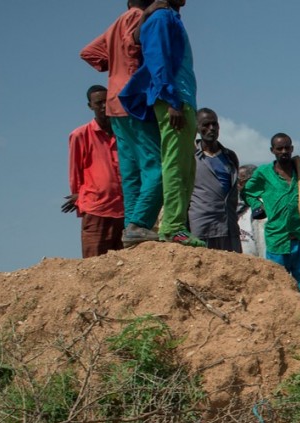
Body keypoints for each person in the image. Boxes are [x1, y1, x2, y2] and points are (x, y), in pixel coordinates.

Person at [118, 0, 203, 247]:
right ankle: (173, 226)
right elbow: (157, 59)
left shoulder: (169, 18)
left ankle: (177, 225)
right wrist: (171, 99)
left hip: (183, 99)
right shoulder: (161, 18)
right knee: (175, 164)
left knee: (186, 167)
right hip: (174, 100)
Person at [81, 0, 157, 247]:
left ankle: (130, 229)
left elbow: (89, 53)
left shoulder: (115, 24)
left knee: (131, 172)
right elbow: (132, 46)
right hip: (133, 99)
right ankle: (140, 223)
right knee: (157, 166)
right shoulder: (137, 16)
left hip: (114, 102)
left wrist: (112, 65)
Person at [242, 134, 300, 298]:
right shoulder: (264, 173)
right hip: (277, 238)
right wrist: (258, 205)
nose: (284, 151)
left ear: (292, 149)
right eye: (279, 148)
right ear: (273, 151)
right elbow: (247, 192)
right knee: (277, 285)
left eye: (287, 148)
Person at [64, 84, 124, 258]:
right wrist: (78, 194)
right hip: (96, 208)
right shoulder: (80, 135)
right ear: (90, 106)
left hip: (124, 209)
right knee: (94, 266)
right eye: (99, 103)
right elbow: (75, 170)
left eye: (107, 101)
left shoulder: (123, 133)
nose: (104, 106)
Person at [190, 108, 241, 252]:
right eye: (206, 125)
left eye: (214, 124)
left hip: (229, 227)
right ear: (197, 127)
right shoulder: (190, 155)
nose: (211, 129)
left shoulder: (229, 156)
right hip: (202, 227)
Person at [236, 164, 265, 256]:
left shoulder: (262, 206)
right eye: (236, 181)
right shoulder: (234, 206)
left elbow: (263, 243)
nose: (238, 186)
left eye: (241, 182)